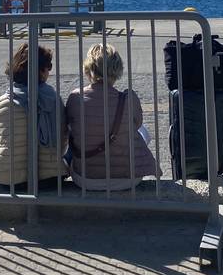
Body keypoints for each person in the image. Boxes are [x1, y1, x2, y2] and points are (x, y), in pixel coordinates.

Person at [66, 43, 158, 190]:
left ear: (88, 69)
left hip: (85, 178)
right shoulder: (128, 99)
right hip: (128, 179)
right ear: (117, 69)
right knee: (142, 131)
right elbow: (137, 124)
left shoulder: (76, 98)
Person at [0, 43, 67, 189]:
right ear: (42, 71)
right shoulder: (53, 99)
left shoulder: (1, 102)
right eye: (48, 67)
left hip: (8, 177)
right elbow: (62, 142)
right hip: (50, 177)